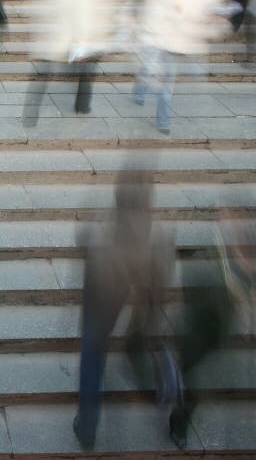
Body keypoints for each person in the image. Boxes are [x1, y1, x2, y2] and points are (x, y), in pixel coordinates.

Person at [73, 170, 175, 450]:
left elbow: (83, 243)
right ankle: (165, 382)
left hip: (101, 293)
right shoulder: (154, 232)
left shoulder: (105, 228)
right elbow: (161, 272)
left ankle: (87, 426)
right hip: (129, 288)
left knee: (92, 354)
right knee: (116, 344)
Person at [168, 216, 255, 449]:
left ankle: (179, 415)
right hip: (196, 333)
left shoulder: (241, 272)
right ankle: (178, 421)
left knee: (195, 385)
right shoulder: (210, 262)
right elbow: (192, 292)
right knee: (190, 380)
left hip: (213, 337)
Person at [130, 0, 230, 135]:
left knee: (163, 79)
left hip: (179, 41)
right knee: (164, 82)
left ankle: (157, 110)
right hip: (166, 40)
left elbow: (207, 9)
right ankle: (163, 120)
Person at [23, 0, 125, 126]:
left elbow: (31, 8)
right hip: (66, 42)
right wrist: (81, 42)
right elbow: (80, 19)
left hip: (46, 44)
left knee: (40, 79)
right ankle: (82, 106)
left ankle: (29, 116)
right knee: (84, 73)